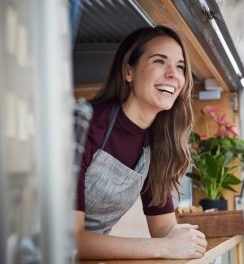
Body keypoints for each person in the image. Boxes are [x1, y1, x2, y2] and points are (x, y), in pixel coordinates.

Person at [75, 26, 207, 260]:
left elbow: (164, 228)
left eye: (180, 67)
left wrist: (187, 238)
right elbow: (68, 240)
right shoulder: (84, 124)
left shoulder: (158, 145)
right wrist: (165, 247)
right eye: (160, 61)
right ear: (129, 71)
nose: (173, 74)